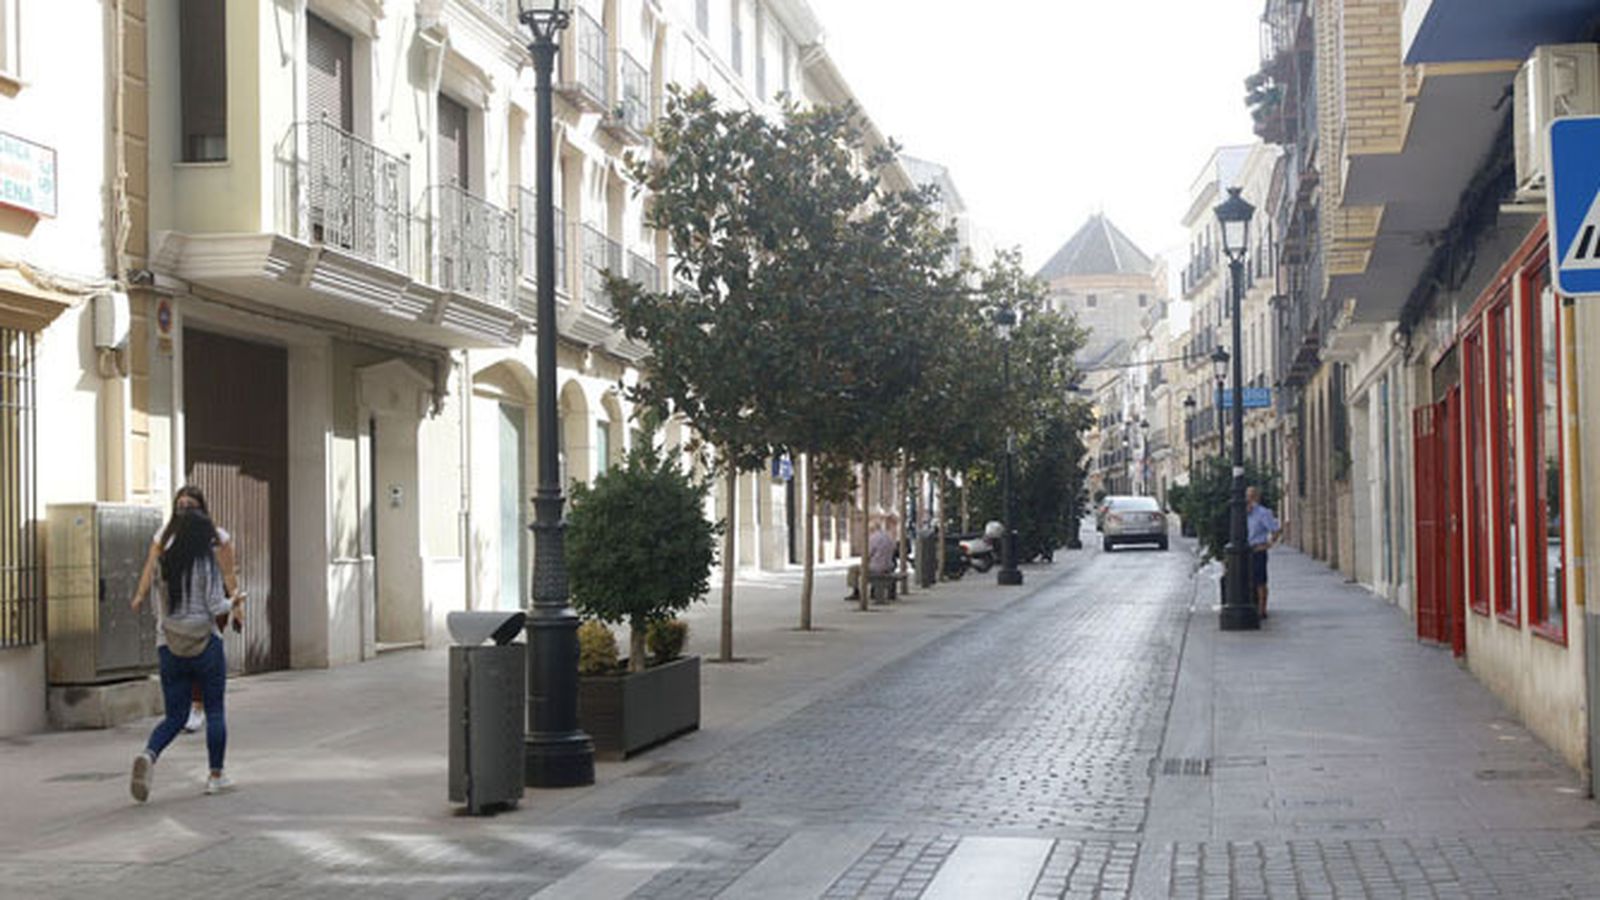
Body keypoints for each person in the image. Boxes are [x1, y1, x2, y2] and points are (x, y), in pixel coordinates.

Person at [129, 506, 242, 801]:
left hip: (170, 645)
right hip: (204, 643)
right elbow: (216, 606)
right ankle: (216, 776)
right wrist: (236, 602)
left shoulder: (162, 563)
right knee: (214, 710)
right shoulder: (205, 564)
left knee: (175, 715)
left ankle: (149, 754)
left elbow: (158, 608)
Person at [1246, 486, 1282, 619]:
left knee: (1260, 581)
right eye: (1247, 496)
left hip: (1257, 550)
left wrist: (1268, 544)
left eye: (1251, 496)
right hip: (1244, 551)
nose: (1249, 499)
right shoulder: (1241, 513)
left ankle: (1262, 610)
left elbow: (1276, 529)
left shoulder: (1263, 513)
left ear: (1257, 497)